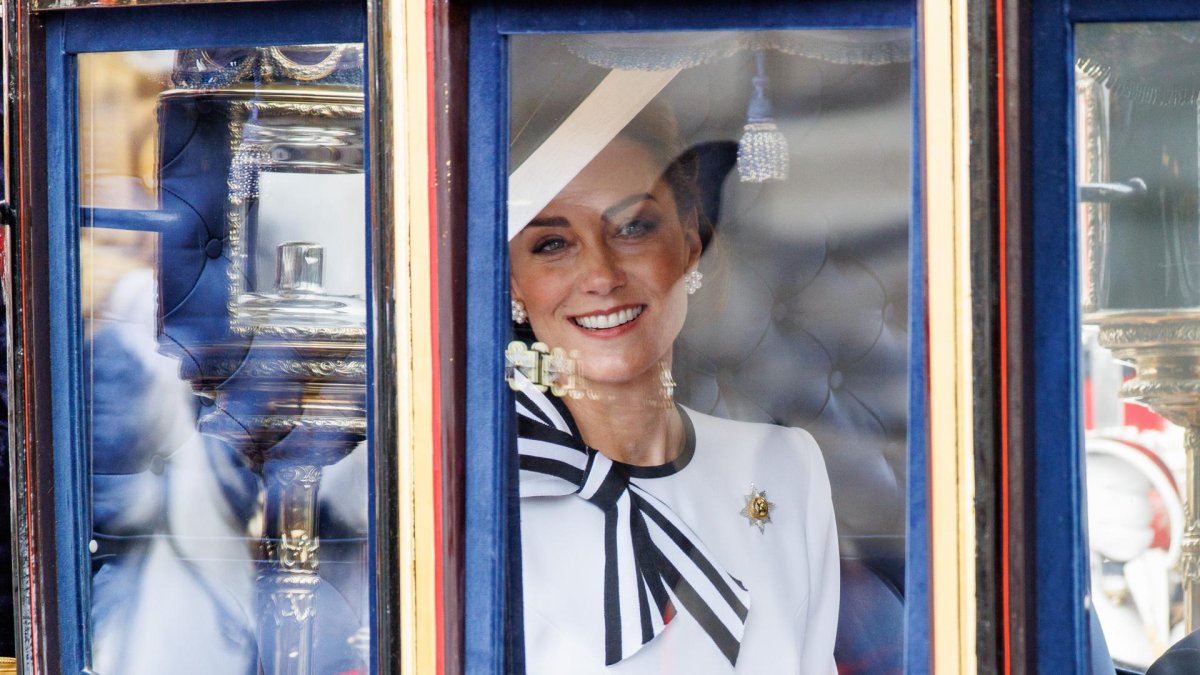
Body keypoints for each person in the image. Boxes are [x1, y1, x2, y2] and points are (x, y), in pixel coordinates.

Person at [508, 102, 839, 673]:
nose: (602, 276)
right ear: (514, 283)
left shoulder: (789, 467)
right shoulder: (485, 494)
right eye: (552, 244)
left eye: (633, 228)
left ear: (689, 243)